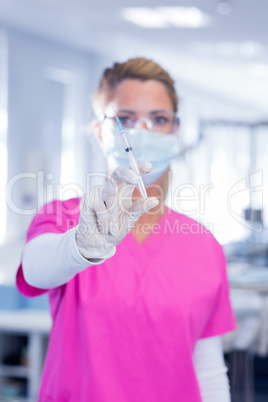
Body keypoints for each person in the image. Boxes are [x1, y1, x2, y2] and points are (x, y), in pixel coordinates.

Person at [17, 57, 236, 402]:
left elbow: (207, 368)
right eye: (126, 119)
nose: (142, 131)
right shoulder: (66, 218)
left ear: (175, 131)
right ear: (98, 131)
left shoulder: (203, 244)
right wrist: (80, 246)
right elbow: (35, 268)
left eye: (159, 119)